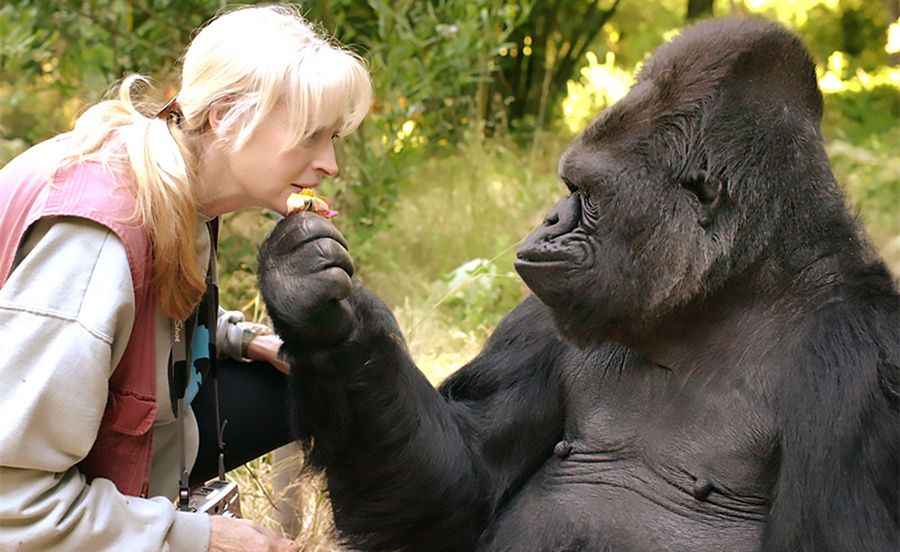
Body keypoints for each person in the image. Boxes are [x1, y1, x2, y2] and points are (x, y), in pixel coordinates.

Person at [0, 5, 372, 551]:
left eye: (333, 137)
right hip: (25, 492)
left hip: (101, 438)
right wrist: (197, 537)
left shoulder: (174, 179)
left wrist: (237, 338)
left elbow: (136, 318)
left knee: (322, 380)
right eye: (311, 135)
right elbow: (12, 500)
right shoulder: (96, 242)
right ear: (225, 115)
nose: (330, 164)